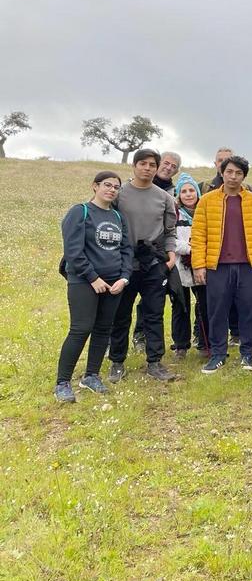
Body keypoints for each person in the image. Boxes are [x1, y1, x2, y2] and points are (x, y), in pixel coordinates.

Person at [55, 171, 133, 402]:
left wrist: (124, 278)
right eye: (107, 185)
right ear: (95, 186)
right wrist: (93, 278)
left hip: (114, 283)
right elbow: (73, 252)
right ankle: (63, 382)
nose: (111, 190)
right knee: (81, 329)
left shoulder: (119, 217)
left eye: (116, 187)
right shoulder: (80, 212)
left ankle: (91, 376)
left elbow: (127, 250)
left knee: (103, 329)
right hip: (83, 281)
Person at [107, 148, 180, 383]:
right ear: (134, 166)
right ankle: (117, 362)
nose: (147, 168)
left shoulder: (165, 198)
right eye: (143, 164)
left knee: (154, 313)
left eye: (152, 164)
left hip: (153, 263)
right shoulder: (119, 194)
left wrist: (170, 256)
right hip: (123, 263)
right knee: (121, 314)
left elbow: (170, 231)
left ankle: (155, 362)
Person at [192, 155, 252, 373]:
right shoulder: (207, 200)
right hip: (218, 267)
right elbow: (198, 234)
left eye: (238, 173)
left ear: (244, 176)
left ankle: (247, 354)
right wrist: (199, 265)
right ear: (222, 173)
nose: (233, 177)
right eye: (229, 172)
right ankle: (217, 354)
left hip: (248, 266)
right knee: (217, 311)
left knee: (248, 310)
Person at [169, 174, 208, 359]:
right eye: (183, 191)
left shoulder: (205, 212)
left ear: (197, 192)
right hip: (180, 267)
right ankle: (180, 345)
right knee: (180, 306)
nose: (188, 194)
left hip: (202, 265)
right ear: (178, 194)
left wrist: (199, 251)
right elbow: (170, 239)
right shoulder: (174, 214)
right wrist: (190, 249)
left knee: (204, 305)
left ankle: (204, 342)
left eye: (191, 190)